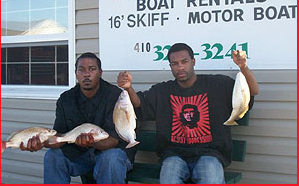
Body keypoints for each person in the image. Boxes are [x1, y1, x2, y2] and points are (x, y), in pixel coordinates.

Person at [117, 43, 259, 184]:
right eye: (175, 63)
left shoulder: (218, 85)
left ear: (193, 62)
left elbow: (252, 91)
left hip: (209, 154)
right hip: (174, 155)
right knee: (169, 179)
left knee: (211, 178)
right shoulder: (163, 91)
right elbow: (139, 103)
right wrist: (128, 88)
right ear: (170, 66)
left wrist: (243, 67)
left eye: (184, 61)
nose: (180, 67)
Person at [20, 52, 136, 184]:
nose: (86, 74)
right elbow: (60, 136)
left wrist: (91, 141)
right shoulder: (66, 99)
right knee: (53, 156)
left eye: (92, 69)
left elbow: (113, 141)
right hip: (80, 156)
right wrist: (41, 141)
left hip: (112, 154)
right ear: (76, 73)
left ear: (100, 72)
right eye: (81, 70)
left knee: (111, 158)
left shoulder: (115, 96)